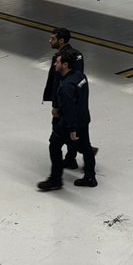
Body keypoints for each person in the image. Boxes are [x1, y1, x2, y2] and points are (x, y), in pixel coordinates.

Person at [38, 49, 97, 191]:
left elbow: (69, 109)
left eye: (57, 62)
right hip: (84, 118)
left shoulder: (66, 86)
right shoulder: (80, 76)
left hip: (69, 123)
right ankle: (90, 176)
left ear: (65, 65)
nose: (54, 65)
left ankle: (55, 179)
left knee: (54, 145)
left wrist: (71, 129)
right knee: (87, 148)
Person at [43, 27, 86, 170]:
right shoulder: (77, 55)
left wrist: (55, 105)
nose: (50, 41)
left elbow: (57, 84)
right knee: (71, 131)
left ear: (61, 40)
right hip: (75, 102)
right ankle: (72, 157)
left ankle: (84, 150)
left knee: (57, 136)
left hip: (64, 103)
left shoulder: (60, 59)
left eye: (53, 38)